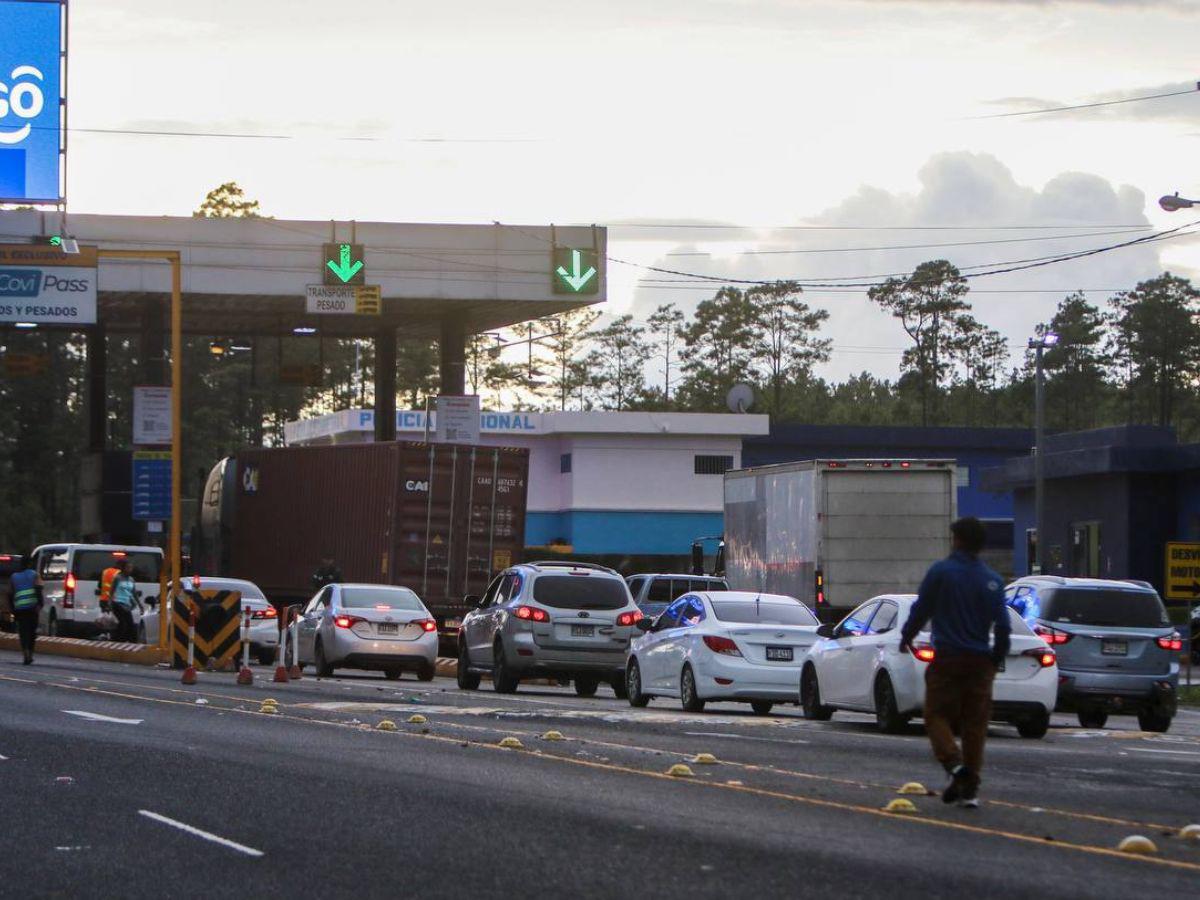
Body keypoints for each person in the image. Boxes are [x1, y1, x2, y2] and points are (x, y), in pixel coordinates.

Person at [899, 516, 1010, 809]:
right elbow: (1003, 626)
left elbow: (921, 609)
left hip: (948, 659)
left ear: (958, 540)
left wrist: (907, 636)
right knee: (975, 724)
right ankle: (969, 787)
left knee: (936, 715)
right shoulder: (993, 581)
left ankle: (954, 764)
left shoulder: (941, 572)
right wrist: (995, 658)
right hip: (980, 662)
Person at [8, 556, 43, 664]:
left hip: (19, 609)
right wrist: (40, 604)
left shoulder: (14, 577)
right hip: (32, 608)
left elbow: (10, 594)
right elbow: (39, 589)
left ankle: (25, 654)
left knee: (23, 632)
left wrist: (12, 609)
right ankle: (30, 655)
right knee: (32, 632)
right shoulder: (34, 574)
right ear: (29, 564)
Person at [109, 559, 143, 643]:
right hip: (117, 603)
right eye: (128, 567)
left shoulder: (131, 579)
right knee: (123, 623)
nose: (130, 569)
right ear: (123, 568)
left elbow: (134, 593)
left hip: (126, 604)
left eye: (131, 568)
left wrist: (139, 604)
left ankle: (126, 640)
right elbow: (112, 591)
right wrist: (109, 603)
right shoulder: (118, 578)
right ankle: (119, 640)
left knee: (130, 624)